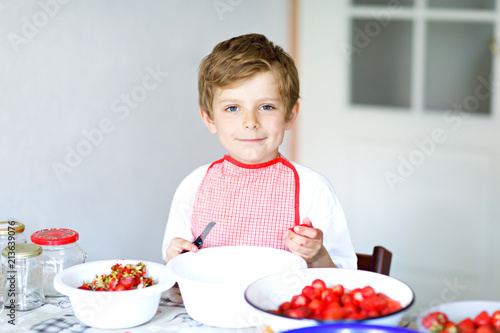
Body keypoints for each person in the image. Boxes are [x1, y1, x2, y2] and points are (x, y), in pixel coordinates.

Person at [162, 33, 357, 269]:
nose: (250, 121)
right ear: (209, 118)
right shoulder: (194, 186)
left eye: (266, 106)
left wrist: (317, 256)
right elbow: (175, 272)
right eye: (233, 108)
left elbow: (343, 279)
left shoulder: (313, 189)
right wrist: (175, 258)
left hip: (281, 305)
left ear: (289, 115)